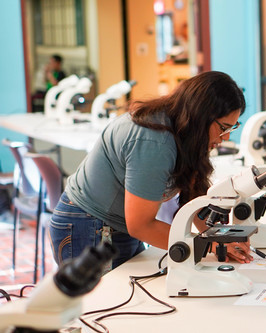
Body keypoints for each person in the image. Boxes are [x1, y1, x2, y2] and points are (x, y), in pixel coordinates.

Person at [48, 71, 254, 269]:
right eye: (224, 127)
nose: (226, 137)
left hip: (117, 225)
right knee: (106, 301)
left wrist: (220, 237)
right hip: (88, 226)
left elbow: (193, 196)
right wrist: (210, 245)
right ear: (201, 115)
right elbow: (141, 225)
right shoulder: (154, 140)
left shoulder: (184, 132)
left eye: (232, 128)